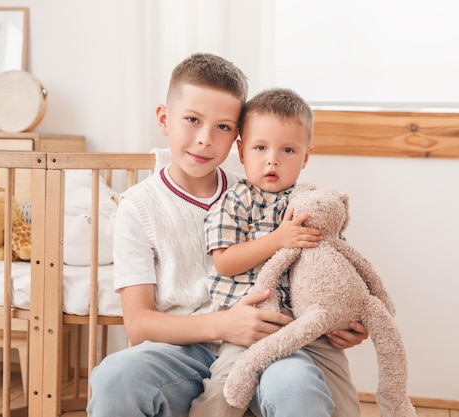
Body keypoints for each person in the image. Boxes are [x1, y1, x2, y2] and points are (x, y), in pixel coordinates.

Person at [87, 53, 368, 417]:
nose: (204, 140)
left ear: (238, 137)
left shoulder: (263, 192)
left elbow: (321, 267)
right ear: (164, 119)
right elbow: (139, 325)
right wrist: (224, 324)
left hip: (270, 342)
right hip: (183, 351)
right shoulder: (137, 207)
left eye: (222, 127)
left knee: (296, 386)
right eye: (191, 120)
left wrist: (346, 320)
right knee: (115, 377)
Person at [189, 88, 362, 417]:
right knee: (224, 392)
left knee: (343, 399)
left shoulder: (313, 203)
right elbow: (225, 263)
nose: (273, 159)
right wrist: (278, 239)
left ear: (305, 157)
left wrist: (351, 315)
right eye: (260, 148)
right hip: (250, 323)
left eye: (287, 150)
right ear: (242, 152)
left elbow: (337, 265)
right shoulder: (235, 200)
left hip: (309, 323)